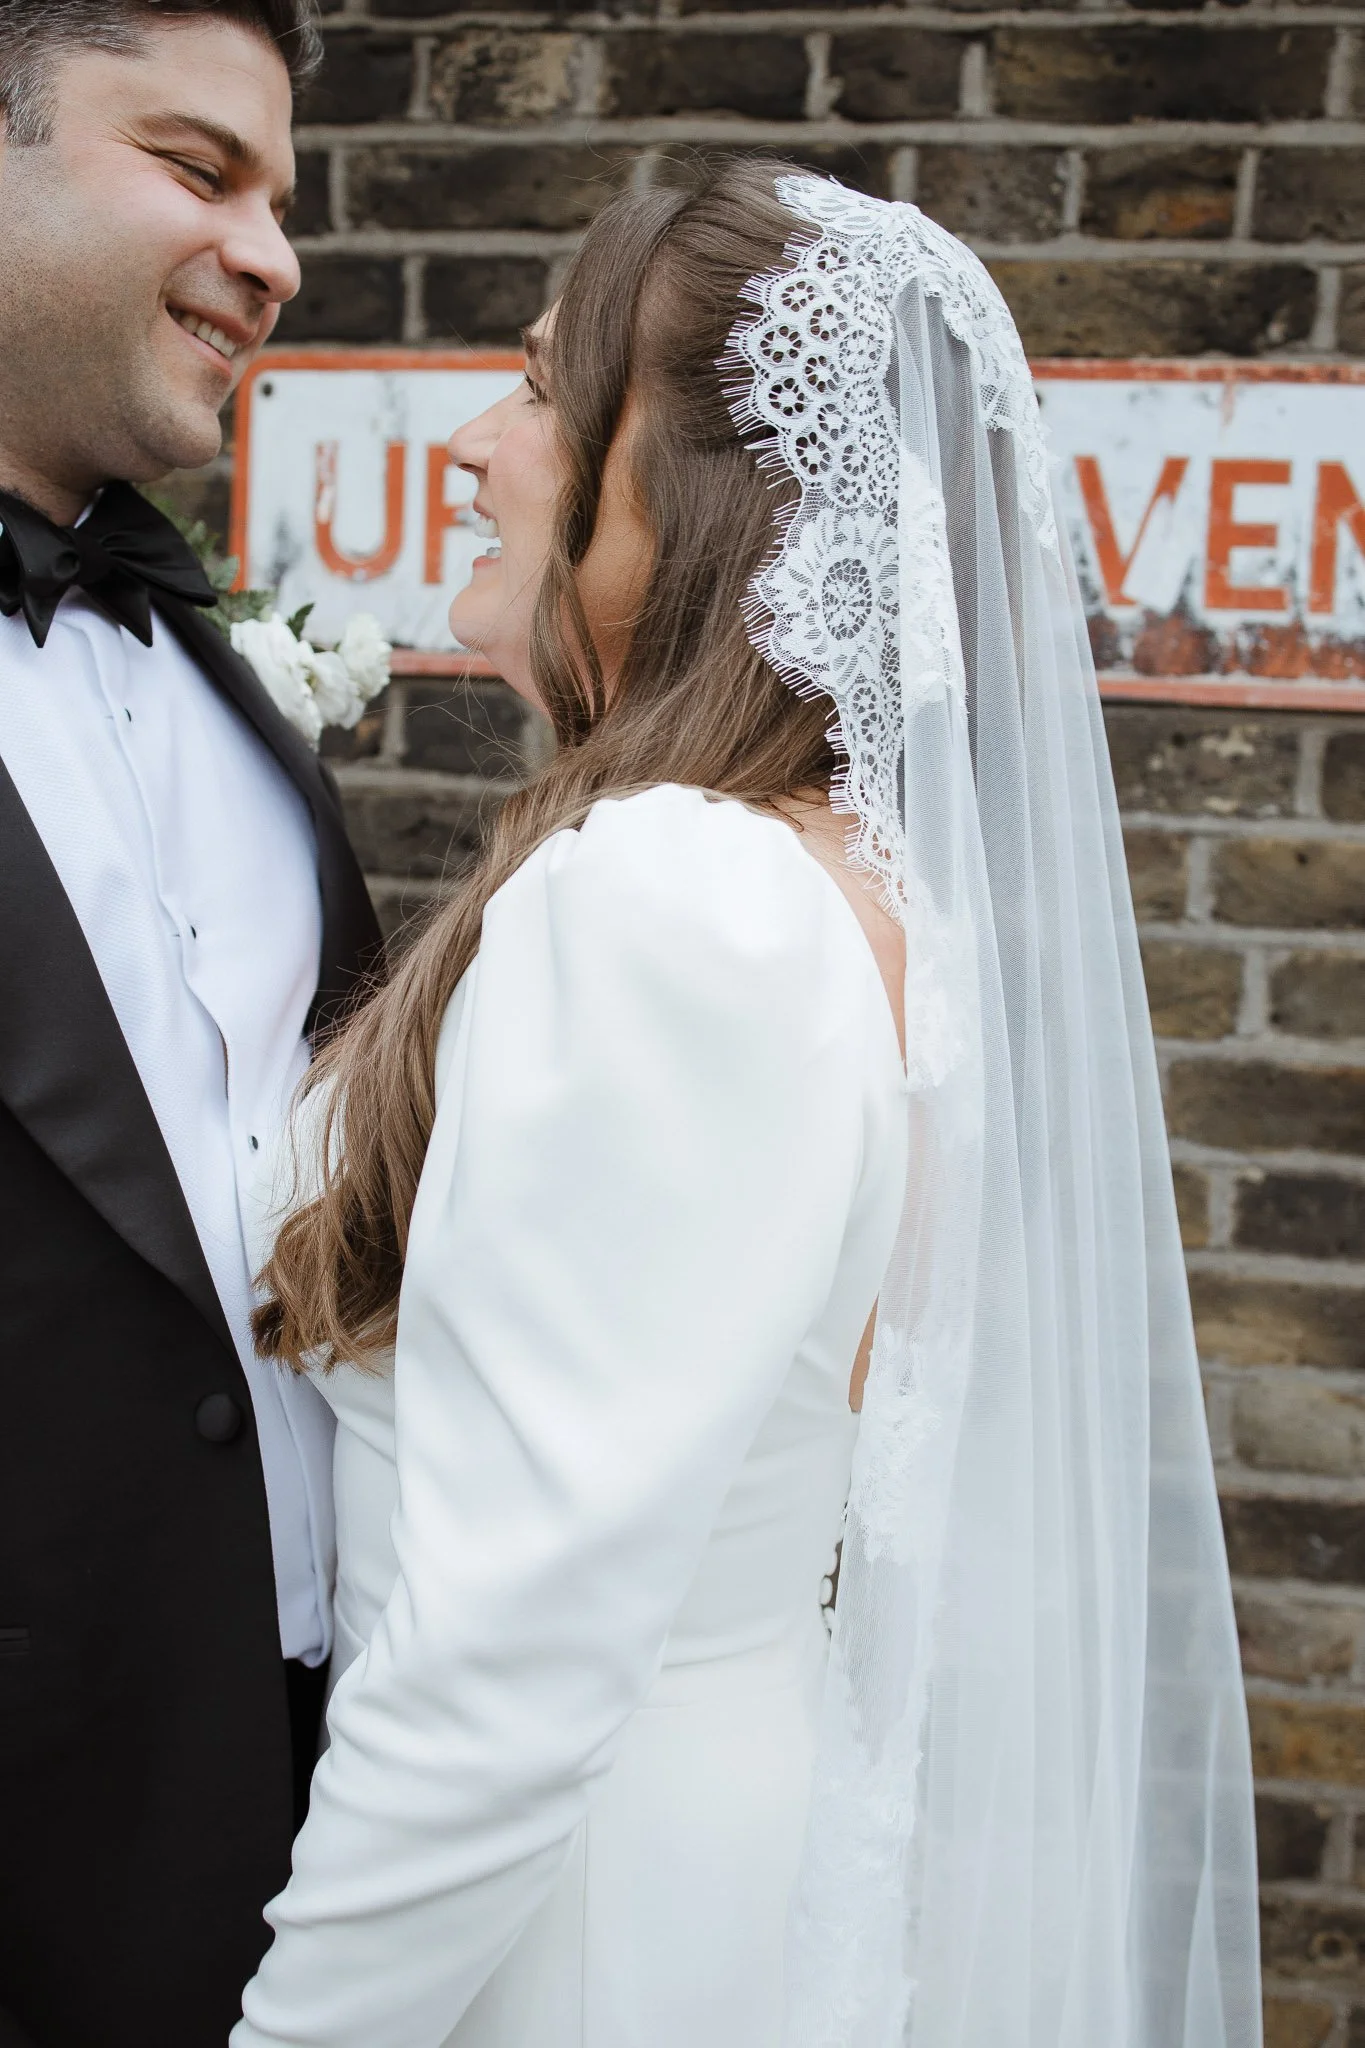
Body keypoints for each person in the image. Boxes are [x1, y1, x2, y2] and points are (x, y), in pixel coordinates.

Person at [234, 162, 1262, 2048]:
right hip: (725, 1851)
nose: (475, 441)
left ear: (699, 492)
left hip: (570, 1924)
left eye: (544, 388)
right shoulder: (859, 898)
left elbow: (511, 1662)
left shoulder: (672, 901)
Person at [0, 6, 379, 2045]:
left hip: (310, 1786)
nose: (274, 252)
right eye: (199, 169)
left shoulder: (233, 694)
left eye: (283, 200)